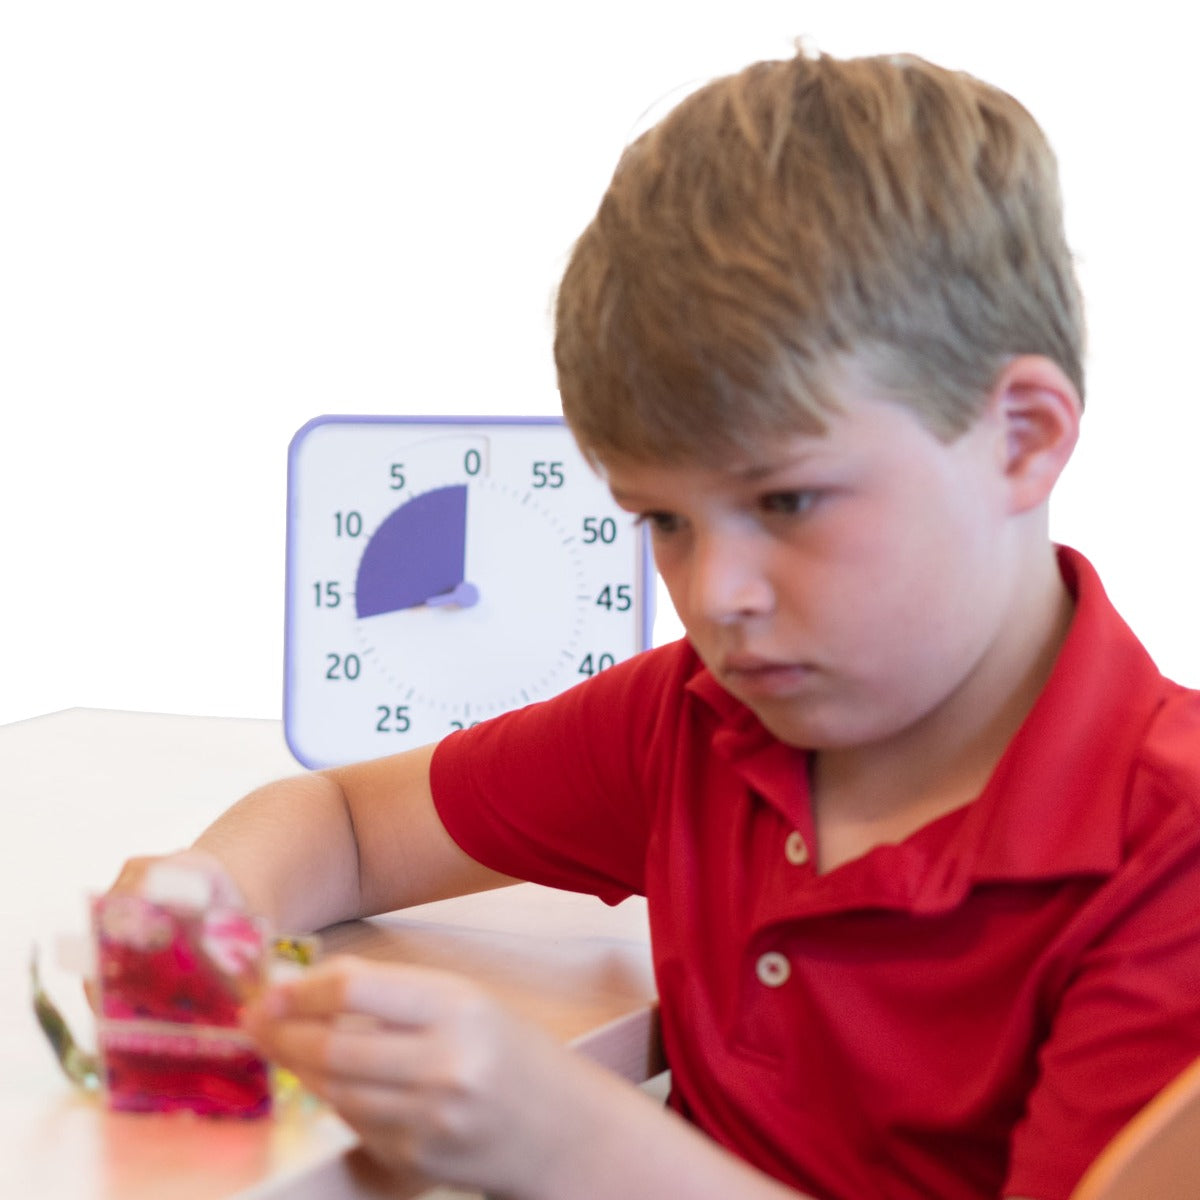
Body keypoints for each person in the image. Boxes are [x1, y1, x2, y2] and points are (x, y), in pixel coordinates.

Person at [110, 45, 1200, 1200]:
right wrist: (206, 904)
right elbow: (346, 818)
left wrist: (578, 1145)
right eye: (664, 519)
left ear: (1023, 438)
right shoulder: (698, 721)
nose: (713, 592)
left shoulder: (1168, 854)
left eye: (785, 502)